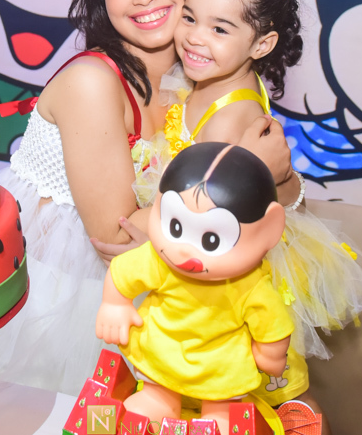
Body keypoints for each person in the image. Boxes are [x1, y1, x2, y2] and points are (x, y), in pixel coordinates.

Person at [0, 0, 295, 393]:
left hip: (162, 295)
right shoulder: (93, 83)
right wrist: (252, 171)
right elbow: (117, 240)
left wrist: (283, 177)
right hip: (58, 296)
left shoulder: (198, 76)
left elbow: (270, 207)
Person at [140, 0, 362, 427]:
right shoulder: (207, 80)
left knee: (231, 382)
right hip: (216, 252)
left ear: (261, 45)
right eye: (189, 17)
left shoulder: (232, 117)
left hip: (225, 268)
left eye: (220, 29)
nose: (194, 38)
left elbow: (199, 217)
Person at [97, 143, 291, 435]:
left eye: (212, 240)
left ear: (267, 230)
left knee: (221, 415)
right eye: (175, 228)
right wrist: (114, 305)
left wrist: (272, 353)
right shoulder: (157, 260)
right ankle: (159, 401)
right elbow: (123, 273)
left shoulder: (249, 285)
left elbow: (271, 323)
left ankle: (217, 416)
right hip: (161, 353)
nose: (185, 253)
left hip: (220, 367)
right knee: (153, 400)